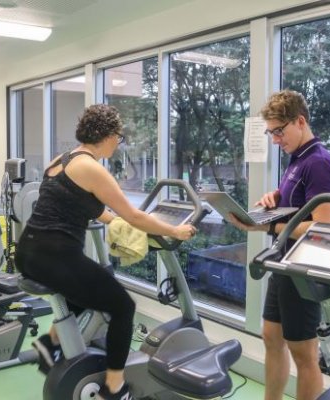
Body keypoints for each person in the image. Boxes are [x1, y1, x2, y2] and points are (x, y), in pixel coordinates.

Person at [14, 104, 197, 400]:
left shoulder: (61, 160)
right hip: (55, 255)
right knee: (123, 307)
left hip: (29, 252)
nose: (119, 143)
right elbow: (134, 215)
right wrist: (175, 231)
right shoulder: (91, 167)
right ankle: (115, 388)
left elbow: (91, 208)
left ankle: (49, 346)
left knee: (84, 293)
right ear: (108, 135)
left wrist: (120, 224)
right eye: (119, 137)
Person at [228, 90, 330, 400]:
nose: (275, 140)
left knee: (304, 353)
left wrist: (268, 225)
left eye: (279, 131)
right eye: (271, 133)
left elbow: (326, 224)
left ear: (300, 121)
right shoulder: (298, 160)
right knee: (271, 336)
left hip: (304, 268)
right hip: (284, 262)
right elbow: (298, 205)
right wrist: (274, 199)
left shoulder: (319, 162)